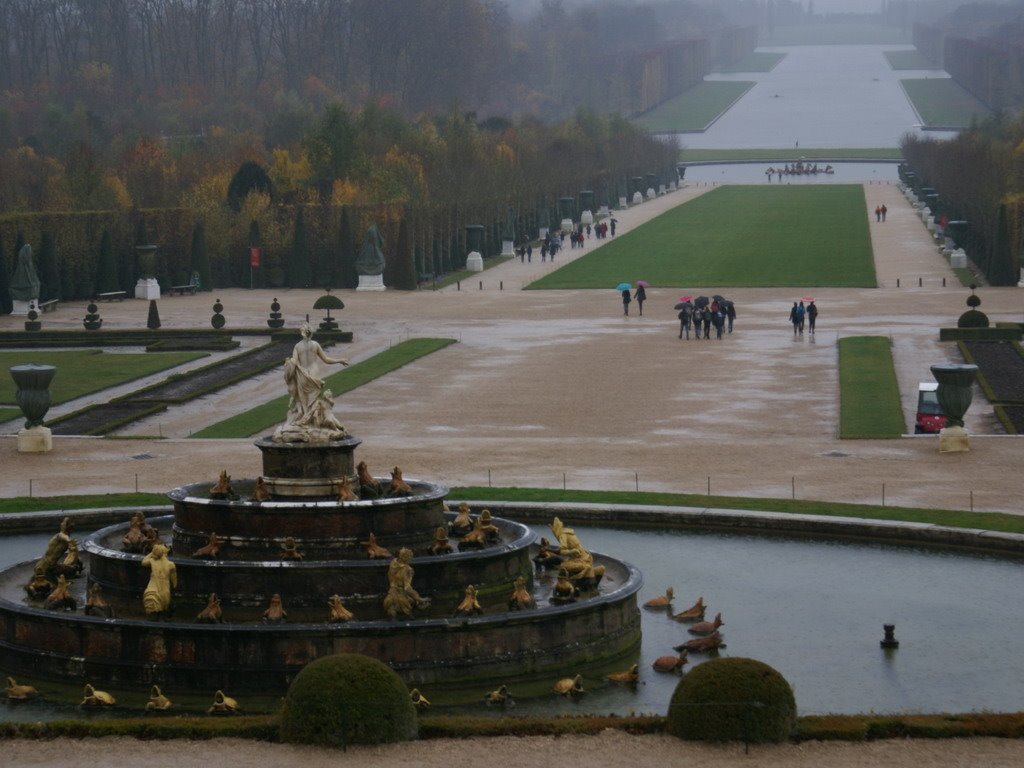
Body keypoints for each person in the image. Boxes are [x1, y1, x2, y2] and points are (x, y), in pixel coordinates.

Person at [275, 323, 349, 441]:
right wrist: (339, 360)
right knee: (313, 401)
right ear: (311, 333)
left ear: (302, 333)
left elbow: (293, 362)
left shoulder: (297, 346)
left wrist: (288, 368)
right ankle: (311, 423)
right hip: (314, 375)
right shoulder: (315, 345)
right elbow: (326, 359)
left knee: (304, 400)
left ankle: (305, 421)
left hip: (304, 375)